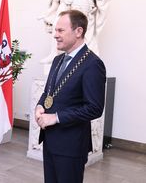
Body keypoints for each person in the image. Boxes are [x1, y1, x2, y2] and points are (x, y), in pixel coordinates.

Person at [35, 10, 106, 183]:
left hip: (71, 146)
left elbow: (94, 108)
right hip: (50, 140)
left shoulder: (93, 64)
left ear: (78, 31)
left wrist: (56, 117)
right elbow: (48, 93)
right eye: (55, 30)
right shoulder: (57, 60)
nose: (55, 35)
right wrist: (39, 105)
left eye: (60, 31)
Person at [40, 0, 111, 66]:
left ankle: (85, 58)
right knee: (57, 24)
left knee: (83, 31)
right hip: (66, 0)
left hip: (81, 1)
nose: (56, 35)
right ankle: (55, 53)